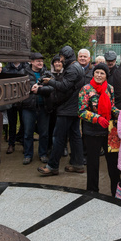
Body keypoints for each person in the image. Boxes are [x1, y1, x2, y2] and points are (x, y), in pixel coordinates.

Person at [37, 46, 85, 176]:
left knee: (58, 137)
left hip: (67, 109)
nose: (61, 60)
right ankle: (78, 164)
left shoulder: (71, 69)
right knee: (75, 137)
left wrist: (50, 81)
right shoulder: (77, 67)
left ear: (66, 57)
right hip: (74, 107)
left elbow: (64, 87)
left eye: (62, 57)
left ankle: (52, 166)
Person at [78, 63, 120, 194]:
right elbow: (81, 111)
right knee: (93, 164)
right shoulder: (85, 89)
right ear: (93, 73)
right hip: (92, 132)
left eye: (102, 73)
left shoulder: (110, 89)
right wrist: (97, 118)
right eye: (97, 72)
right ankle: (92, 191)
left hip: (109, 131)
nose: (99, 75)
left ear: (106, 75)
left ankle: (117, 192)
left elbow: (112, 106)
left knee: (114, 163)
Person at [23, 52, 53, 165]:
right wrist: (31, 88)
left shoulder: (47, 73)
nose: (40, 62)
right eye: (37, 61)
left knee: (44, 133)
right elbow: (20, 87)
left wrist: (41, 88)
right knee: (27, 133)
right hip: (28, 107)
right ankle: (27, 155)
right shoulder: (24, 72)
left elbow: (52, 87)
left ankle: (43, 154)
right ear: (31, 62)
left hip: (44, 107)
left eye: (41, 60)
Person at [3, 61, 26, 154]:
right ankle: (11, 144)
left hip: (23, 100)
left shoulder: (26, 68)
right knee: (12, 124)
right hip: (11, 100)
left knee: (24, 123)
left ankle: (25, 144)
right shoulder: (6, 69)